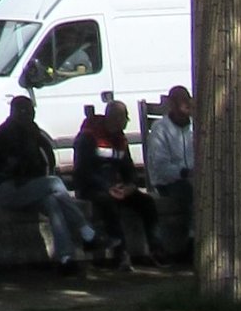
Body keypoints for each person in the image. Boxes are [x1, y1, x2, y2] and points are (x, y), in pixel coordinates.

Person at [0, 94, 96, 273]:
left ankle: (66, 259)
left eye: (30, 112)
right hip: (5, 190)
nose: (27, 116)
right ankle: (85, 231)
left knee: (53, 202)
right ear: (13, 113)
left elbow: (47, 160)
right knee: (55, 183)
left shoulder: (33, 133)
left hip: (29, 188)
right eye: (23, 112)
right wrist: (13, 171)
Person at [73, 100, 162, 266]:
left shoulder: (120, 139)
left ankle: (156, 249)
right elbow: (83, 171)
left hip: (115, 187)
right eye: (124, 117)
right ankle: (121, 253)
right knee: (109, 205)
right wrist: (108, 188)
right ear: (113, 118)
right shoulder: (89, 136)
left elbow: (128, 167)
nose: (127, 121)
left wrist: (130, 185)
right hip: (91, 187)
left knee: (147, 202)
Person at [145, 85, 194, 260]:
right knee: (191, 193)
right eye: (181, 101)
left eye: (188, 100)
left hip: (195, 177)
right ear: (171, 104)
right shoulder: (160, 129)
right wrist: (184, 173)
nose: (187, 105)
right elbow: (160, 167)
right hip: (169, 182)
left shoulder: (196, 127)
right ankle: (193, 240)